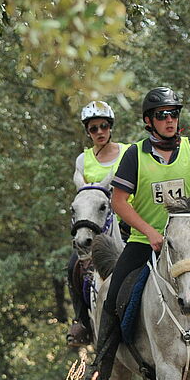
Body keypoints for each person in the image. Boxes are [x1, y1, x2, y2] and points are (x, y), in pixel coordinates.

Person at [85, 87, 190, 380]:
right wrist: (149, 233)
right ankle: (101, 366)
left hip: (189, 244)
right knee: (114, 296)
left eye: (173, 114)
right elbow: (119, 202)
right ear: (149, 121)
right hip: (144, 242)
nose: (170, 120)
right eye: (162, 116)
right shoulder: (135, 155)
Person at [67, 101, 130, 347]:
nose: (100, 132)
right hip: (96, 227)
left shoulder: (128, 153)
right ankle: (82, 322)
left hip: (128, 220)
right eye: (94, 128)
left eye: (103, 126)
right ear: (88, 132)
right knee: (73, 265)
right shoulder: (83, 161)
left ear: (110, 127)